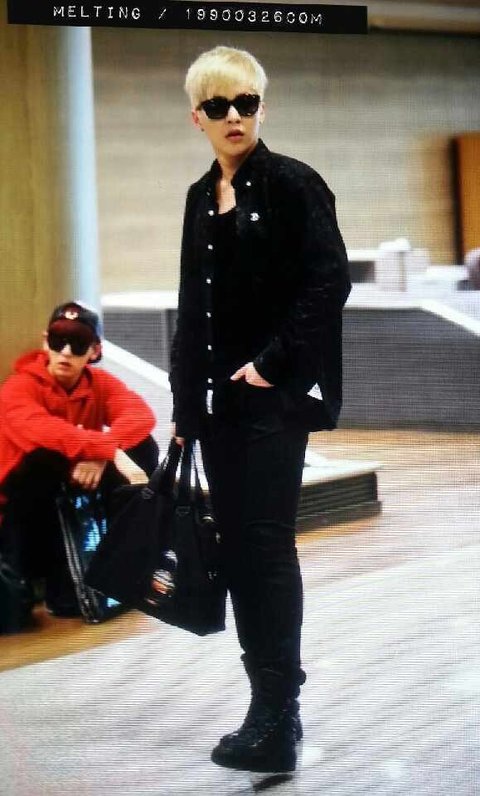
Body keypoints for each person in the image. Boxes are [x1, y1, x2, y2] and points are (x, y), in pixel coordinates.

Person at [169, 46, 351, 773]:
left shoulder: (293, 184)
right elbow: (193, 307)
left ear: (261, 107)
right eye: (219, 107)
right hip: (219, 409)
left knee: (267, 547)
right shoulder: (197, 197)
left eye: (245, 103)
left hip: (276, 399)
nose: (234, 117)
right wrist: (185, 404)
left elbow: (329, 283)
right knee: (240, 550)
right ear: (198, 118)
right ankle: (267, 708)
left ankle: (278, 715)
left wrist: (272, 364)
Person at [0, 301, 158, 625]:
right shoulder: (19, 387)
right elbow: (42, 432)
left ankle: (123, 563)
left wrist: (99, 456)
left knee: (144, 447)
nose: (66, 352)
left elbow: (140, 416)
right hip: (23, 518)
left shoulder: (98, 383)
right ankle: (51, 583)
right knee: (43, 458)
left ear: (95, 350)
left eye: (78, 343)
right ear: (46, 342)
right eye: (58, 341)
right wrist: (107, 450)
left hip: (75, 498)